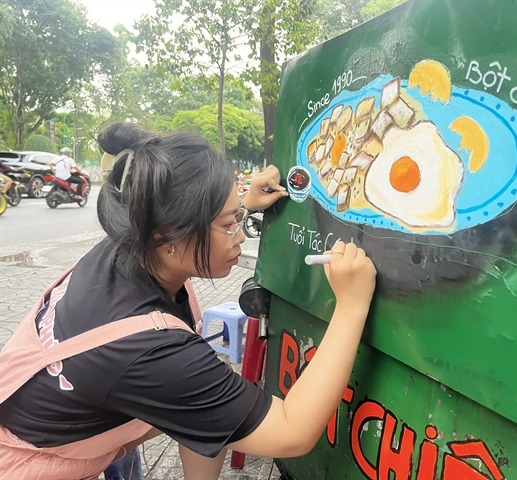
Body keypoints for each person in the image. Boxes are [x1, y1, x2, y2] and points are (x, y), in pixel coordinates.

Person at [0, 122, 377, 479]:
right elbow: (292, 430)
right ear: (169, 236)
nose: (240, 236)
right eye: (229, 224)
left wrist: (239, 206)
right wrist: (351, 306)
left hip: (72, 411)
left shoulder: (133, 238)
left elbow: (207, 418)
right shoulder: (152, 354)